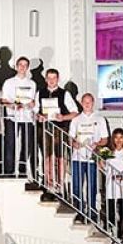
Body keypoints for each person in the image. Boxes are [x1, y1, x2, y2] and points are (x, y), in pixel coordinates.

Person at [36, 68, 78, 201]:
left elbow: (75, 112)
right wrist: (39, 116)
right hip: (44, 129)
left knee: (60, 157)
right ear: (45, 79)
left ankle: (59, 186)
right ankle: (49, 185)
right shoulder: (40, 93)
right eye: (49, 78)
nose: (51, 80)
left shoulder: (64, 94)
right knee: (47, 157)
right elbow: (36, 111)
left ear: (58, 79)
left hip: (59, 129)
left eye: (54, 78)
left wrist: (63, 117)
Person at [68, 93, 110, 222]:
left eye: (89, 102)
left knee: (92, 186)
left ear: (93, 103)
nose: (87, 104)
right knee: (76, 186)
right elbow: (71, 139)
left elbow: (105, 140)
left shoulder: (100, 119)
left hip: (92, 158)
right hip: (77, 157)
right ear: (81, 103)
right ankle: (79, 211)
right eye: (85, 102)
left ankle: (92, 212)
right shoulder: (76, 120)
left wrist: (96, 144)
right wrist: (76, 144)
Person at [98, 127, 123, 244]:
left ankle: (122, 235)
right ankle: (110, 231)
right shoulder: (108, 152)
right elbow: (101, 164)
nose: (119, 140)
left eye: (121, 137)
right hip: (111, 187)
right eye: (116, 137)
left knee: (122, 212)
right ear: (113, 139)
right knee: (110, 210)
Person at [1, 56, 38, 177]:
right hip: (12, 116)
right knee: (10, 143)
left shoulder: (32, 83)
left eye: (25, 65)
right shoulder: (9, 82)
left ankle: (22, 169)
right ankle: (9, 170)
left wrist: (32, 104)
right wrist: (12, 105)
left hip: (27, 117)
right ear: (16, 67)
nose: (22, 67)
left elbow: (33, 101)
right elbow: (4, 99)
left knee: (26, 144)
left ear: (27, 68)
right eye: (20, 65)